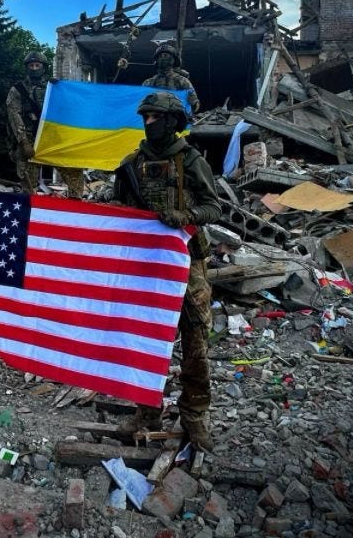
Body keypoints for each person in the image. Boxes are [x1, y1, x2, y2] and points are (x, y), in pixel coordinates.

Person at [112, 91, 221, 450]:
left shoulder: (190, 161)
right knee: (145, 341)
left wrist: (185, 218)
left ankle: (194, 415)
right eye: (145, 116)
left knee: (195, 341)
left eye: (156, 116)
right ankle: (147, 413)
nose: (149, 122)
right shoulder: (132, 164)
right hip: (148, 264)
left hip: (187, 260)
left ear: (174, 122)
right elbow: (120, 210)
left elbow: (213, 207)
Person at [6, 50, 85, 198]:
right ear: (26, 67)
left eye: (37, 65)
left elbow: (68, 109)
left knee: (73, 170)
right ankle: (31, 209)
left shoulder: (53, 87)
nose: (34, 68)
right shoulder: (17, 90)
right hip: (29, 139)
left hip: (53, 138)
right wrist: (23, 142)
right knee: (28, 182)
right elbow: (14, 116)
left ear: (43, 67)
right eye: (31, 65)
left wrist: (61, 88)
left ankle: (76, 203)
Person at [142, 41, 201, 115]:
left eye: (166, 55)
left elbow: (194, 103)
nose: (163, 58)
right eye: (161, 56)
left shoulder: (181, 81)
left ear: (173, 60)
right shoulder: (148, 82)